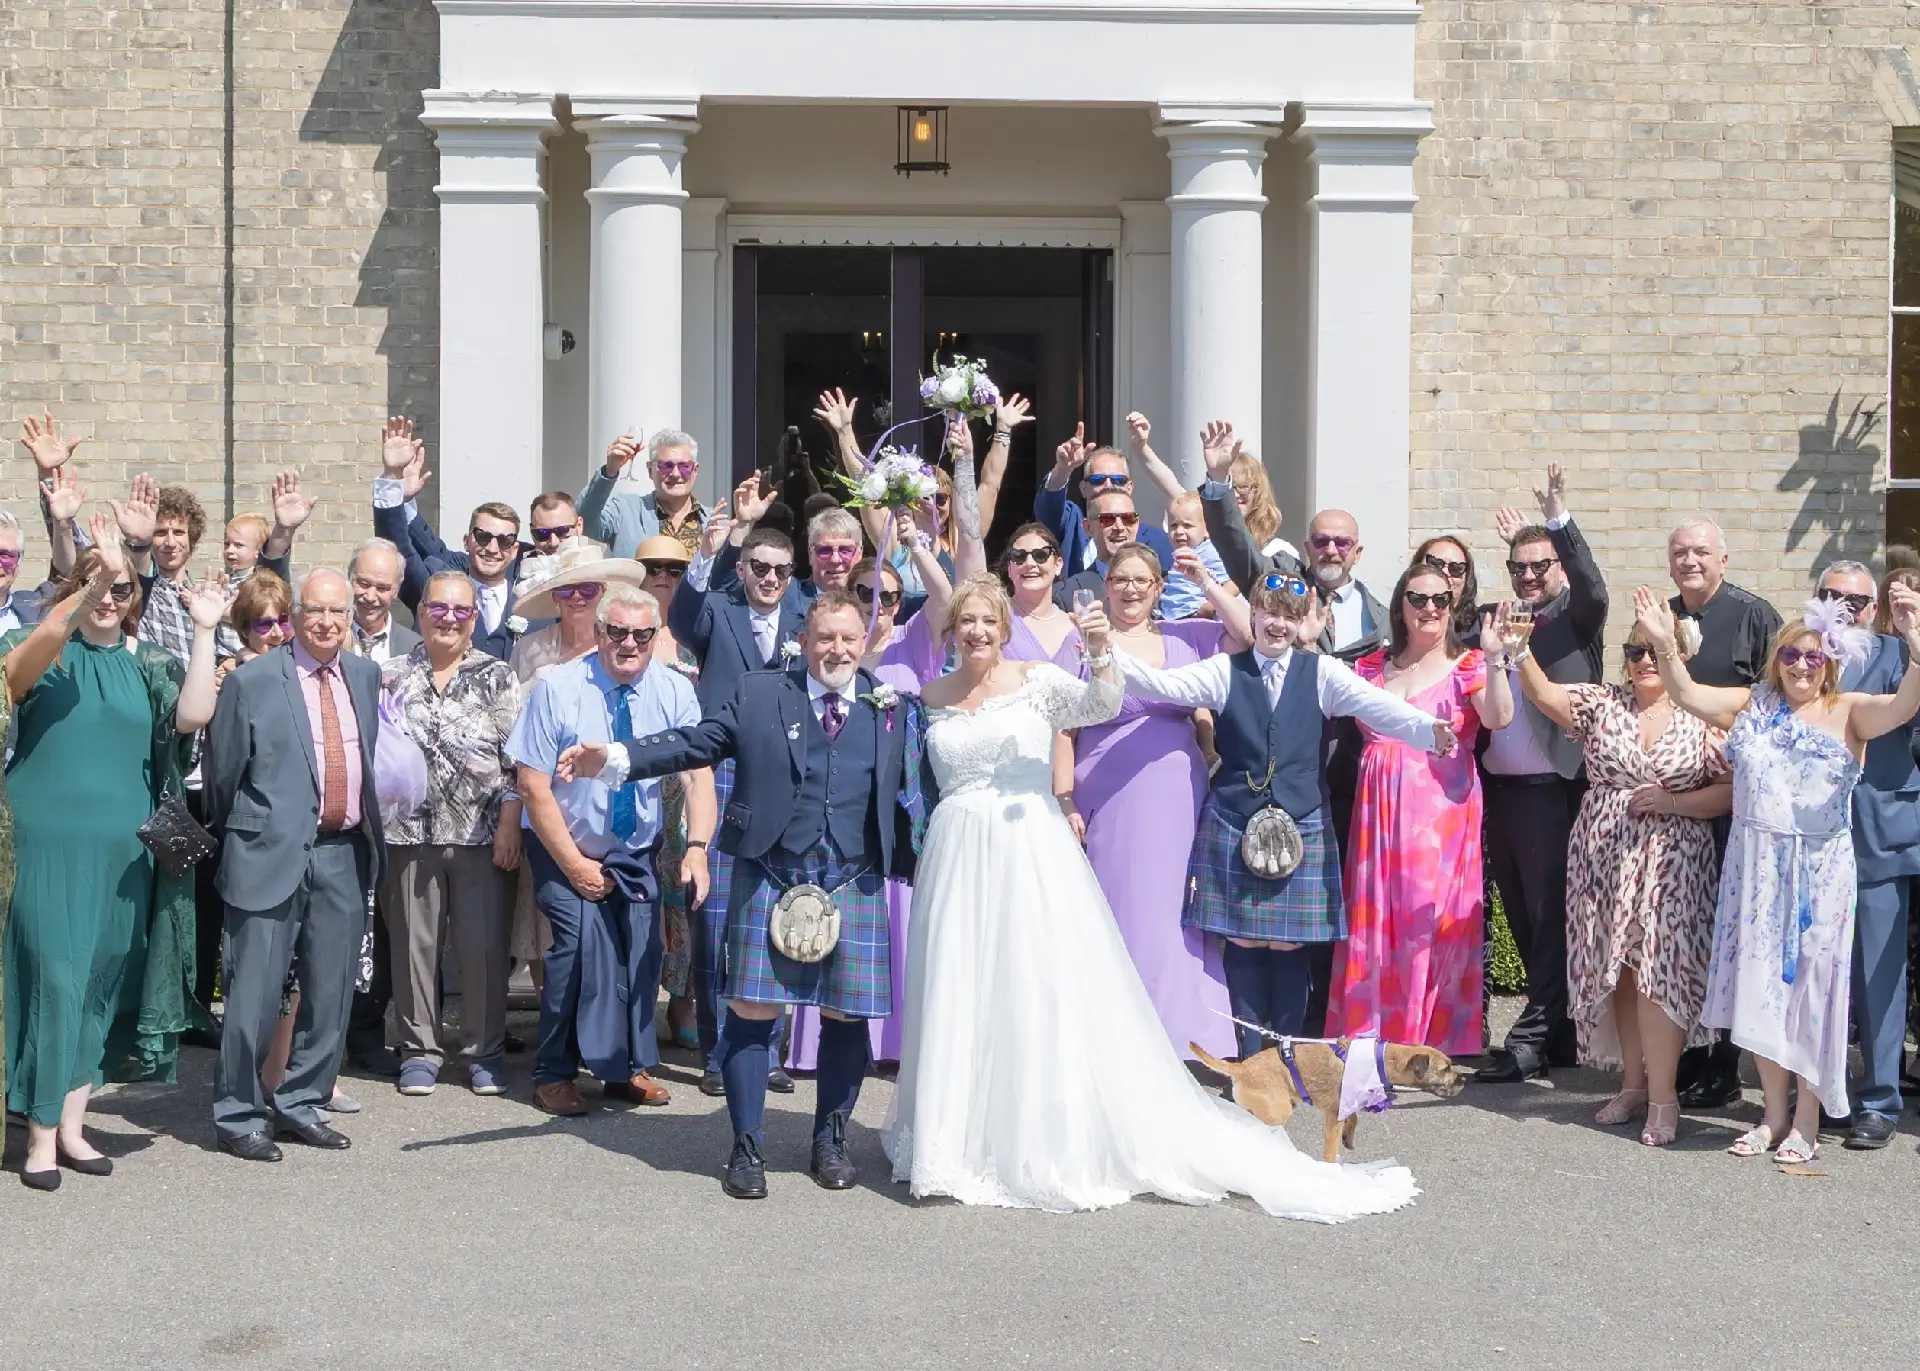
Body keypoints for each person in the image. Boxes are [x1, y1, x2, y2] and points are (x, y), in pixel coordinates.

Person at [883, 572, 1416, 1219]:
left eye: (986, 622)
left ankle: (1031, 1133)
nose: (975, 632)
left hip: (1027, 852)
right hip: (956, 855)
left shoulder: (1039, 679)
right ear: (949, 629)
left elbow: (1102, 702)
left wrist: (1105, 651)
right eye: (964, 622)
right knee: (960, 988)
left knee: (1030, 987)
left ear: (1002, 626)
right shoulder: (933, 695)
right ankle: (951, 1138)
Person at [562, 591, 923, 1199]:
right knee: (753, 1011)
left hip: (853, 877)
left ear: (866, 643)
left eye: (848, 639)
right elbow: (694, 742)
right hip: (773, 868)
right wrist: (616, 758)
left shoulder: (889, 708)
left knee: (845, 1015)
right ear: (803, 641)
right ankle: (746, 1146)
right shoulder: (761, 694)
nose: (837, 649)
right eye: (825, 637)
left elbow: (918, 789)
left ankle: (829, 1140)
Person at [1633, 583, 1920, 1164]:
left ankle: (1808, 1121)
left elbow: (1904, 707)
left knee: (1812, 995)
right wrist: (1665, 647)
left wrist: (1915, 647)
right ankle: (1772, 1114)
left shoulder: (1851, 711)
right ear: (1777, 660)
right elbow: (1686, 694)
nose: (1801, 666)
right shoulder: (1752, 704)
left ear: (1830, 662)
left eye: (1814, 656)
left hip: (1819, 873)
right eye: (1790, 654)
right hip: (1756, 866)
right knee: (1763, 992)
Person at [1117, 571, 1457, 1058]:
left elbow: (1378, 706)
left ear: (1303, 624)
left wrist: (1427, 729)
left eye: (1290, 616)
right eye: (1270, 613)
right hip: (1235, 818)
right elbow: (1163, 685)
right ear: (1252, 614)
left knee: (1290, 945)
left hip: (1301, 823)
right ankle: (1253, 1058)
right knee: (1247, 941)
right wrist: (1105, 655)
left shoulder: (1321, 673)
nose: (1278, 624)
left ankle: (1287, 1054)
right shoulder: (1223, 670)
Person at [5, 518, 222, 1189]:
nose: (109, 595)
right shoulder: (38, 644)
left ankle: (72, 1126)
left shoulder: (145, 666)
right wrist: (89, 578)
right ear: (76, 584)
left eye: (122, 586)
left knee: (100, 984)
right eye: (98, 583)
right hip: (48, 847)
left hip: (124, 859)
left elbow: (193, 715)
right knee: (56, 983)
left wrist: (207, 630)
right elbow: (16, 674)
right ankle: (38, 1137)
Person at [1511, 614, 1730, 1146]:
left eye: (1656, 649)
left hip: (1673, 862)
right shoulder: (1602, 702)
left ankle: (1664, 1097)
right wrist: (1518, 650)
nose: (1644, 660)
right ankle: (1633, 1086)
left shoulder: (1701, 712)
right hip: (1603, 860)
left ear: (1679, 653)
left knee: (1660, 974)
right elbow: (1544, 695)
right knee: (1623, 974)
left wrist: (1673, 801)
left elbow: (1729, 790)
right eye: (1635, 650)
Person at [508, 585, 715, 1116]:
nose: (628, 643)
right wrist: (576, 866)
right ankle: (553, 1071)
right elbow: (532, 785)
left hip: (636, 848)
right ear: (599, 632)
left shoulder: (674, 691)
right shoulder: (557, 689)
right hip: (563, 842)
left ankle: (627, 1068)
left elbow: (698, 776)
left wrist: (696, 847)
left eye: (641, 634)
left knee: (642, 955)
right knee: (577, 949)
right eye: (617, 632)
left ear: (654, 637)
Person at [204, 567, 386, 1162]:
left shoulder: (365, 674)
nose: (328, 622)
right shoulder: (251, 681)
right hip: (267, 852)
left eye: (339, 612)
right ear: (297, 612)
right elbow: (224, 778)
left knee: (329, 992)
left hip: (344, 852)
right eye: (316, 611)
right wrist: (257, 831)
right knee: (253, 994)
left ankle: (300, 1103)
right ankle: (237, 1114)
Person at [1071, 544, 1247, 1060]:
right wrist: (1063, 799)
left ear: (1158, 588)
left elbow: (1248, 635)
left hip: (1176, 794)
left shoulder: (1187, 635)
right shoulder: (1082, 643)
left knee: (1176, 910)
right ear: (1106, 586)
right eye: (1120, 579)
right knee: (1119, 909)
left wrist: (1208, 582)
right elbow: (1062, 725)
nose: (1130, 589)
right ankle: (1115, 1036)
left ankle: (1184, 1031)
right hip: (1106, 790)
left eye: (1141, 580)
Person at [1330, 564, 1515, 1055]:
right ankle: (1370, 1032)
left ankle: (1424, 1040)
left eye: (1440, 599)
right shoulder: (1370, 666)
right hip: (1378, 813)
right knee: (1375, 918)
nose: (1429, 608)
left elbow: (1498, 718)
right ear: (1400, 606)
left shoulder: (1470, 664)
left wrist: (1496, 661)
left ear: (1453, 608)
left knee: (1425, 921)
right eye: (1418, 598)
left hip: (1440, 813)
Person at [1474, 467, 1609, 1084]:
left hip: (1553, 791)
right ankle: (1558, 1030)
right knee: (1524, 918)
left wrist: (1559, 516)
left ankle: (1531, 1036)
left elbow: (1593, 590)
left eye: (1540, 565)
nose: (1529, 576)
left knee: (1552, 914)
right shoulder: (1496, 620)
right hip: (1497, 792)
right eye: (1518, 567)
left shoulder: (1573, 617)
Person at [786, 549, 942, 1073]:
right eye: (866, 595)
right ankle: (812, 1046)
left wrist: (914, 535)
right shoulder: (838, 652)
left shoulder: (915, 637)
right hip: (843, 801)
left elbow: (946, 595)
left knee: (892, 922)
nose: (880, 605)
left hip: (901, 801)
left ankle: (892, 1041)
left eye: (890, 596)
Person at [668, 515, 808, 1094]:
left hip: (785, 775)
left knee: (775, 913)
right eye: (759, 568)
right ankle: (715, 1048)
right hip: (722, 771)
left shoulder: (808, 616)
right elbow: (678, 619)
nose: (770, 579)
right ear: (743, 568)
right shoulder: (717, 611)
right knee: (714, 911)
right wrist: (709, 551)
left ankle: (766, 1051)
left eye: (780, 570)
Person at [379, 571, 521, 1098]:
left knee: (482, 949)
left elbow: (516, 759)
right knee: (415, 946)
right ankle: (419, 1051)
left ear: (475, 619)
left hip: (481, 832)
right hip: (408, 832)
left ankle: (485, 1051)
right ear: (420, 613)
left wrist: (511, 822)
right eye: (439, 609)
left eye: (462, 612)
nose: (450, 619)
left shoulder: (497, 675)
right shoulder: (391, 675)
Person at [1665, 517, 1784, 1110]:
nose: (1691, 561)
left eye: (1702, 552)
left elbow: (1777, 698)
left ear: (1724, 559)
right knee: (1685, 929)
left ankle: (1725, 1063)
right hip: (1674, 796)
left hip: (1732, 798)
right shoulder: (1661, 615)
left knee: (1727, 929)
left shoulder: (1755, 616)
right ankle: (1685, 1053)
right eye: (1681, 552)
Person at [1816, 561, 1920, 1150]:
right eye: (1831, 595)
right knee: (1819, 971)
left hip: (1881, 829)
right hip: (1813, 834)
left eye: (1854, 600)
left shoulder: (1900, 652)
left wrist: (1913, 634)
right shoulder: (1801, 653)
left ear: (1873, 607)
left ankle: (1880, 1099)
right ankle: (1827, 1091)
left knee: (1880, 972)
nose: (1843, 607)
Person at [371, 416, 542, 660]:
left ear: (514, 550)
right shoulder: (435, 586)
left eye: (504, 541)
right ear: (467, 540)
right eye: (483, 537)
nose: (493, 548)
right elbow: (398, 551)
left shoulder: (536, 600)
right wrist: (392, 481)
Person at [632, 536, 702, 1051]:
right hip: (631, 775)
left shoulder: (697, 633)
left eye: (673, 569)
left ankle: (681, 1000)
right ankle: (630, 1010)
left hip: (682, 780)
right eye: (652, 567)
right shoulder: (618, 628)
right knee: (638, 897)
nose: (662, 576)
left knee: (681, 897)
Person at [1035, 422, 1176, 573]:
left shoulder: (1159, 541)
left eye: (1118, 480)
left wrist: (1142, 450)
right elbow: (1048, 509)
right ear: (1084, 488)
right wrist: (1063, 469)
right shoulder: (1072, 523)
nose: (1109, 485)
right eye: (1098, 480)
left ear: (1129, 488)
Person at [577, 428, 707, 559]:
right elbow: (584, 521)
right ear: (650, 470)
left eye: (684, 466)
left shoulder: (714, 522)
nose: (675, 474)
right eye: (666, 466)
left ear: (695, 470)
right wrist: (609, 471)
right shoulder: (626, 510)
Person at [346, 537, 418, 666]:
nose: (370, 597)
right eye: (364, 584)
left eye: (382, 588)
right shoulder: (328, 638)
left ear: (396, 590)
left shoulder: (415, 649)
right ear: (350, 579)